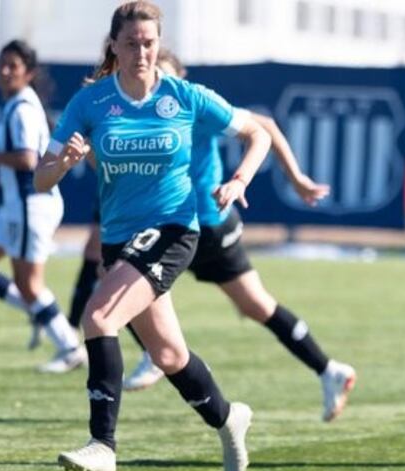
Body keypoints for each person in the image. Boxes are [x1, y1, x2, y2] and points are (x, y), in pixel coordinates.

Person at [33, 1, 272, 471]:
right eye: (131, 44)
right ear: (114, 47)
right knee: (169, 356)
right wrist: (64, 165)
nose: (141, 53)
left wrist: (240, 179)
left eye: (149, 43)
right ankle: (228, 418)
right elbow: (41, 178)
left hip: (173, 230)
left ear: (158, 45)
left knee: (98, 317)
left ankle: (103, 444)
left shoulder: (186, 96)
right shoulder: (91, 102)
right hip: (119, 241)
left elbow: (257, 133)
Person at [118, 50, 356, 423]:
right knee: (120, 277)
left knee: (253, 305)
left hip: (208, 226)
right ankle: (330, 371)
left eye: (167, 76)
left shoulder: (196, 106)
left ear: (182, 77)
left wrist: (296, 179)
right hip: (172, 225)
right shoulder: (140, 114)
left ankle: (328, 370)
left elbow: (265, 127)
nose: (160, 86)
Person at [0, 40, 86, 374]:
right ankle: (41, 312)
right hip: (15, 204)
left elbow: (28, 159)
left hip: (32, 204)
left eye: (13, 66)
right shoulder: (14, 105)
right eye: (1, 64)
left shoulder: (23, 109)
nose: (4, 71)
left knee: (29, 284)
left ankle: (70, 347)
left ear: (28, 73)